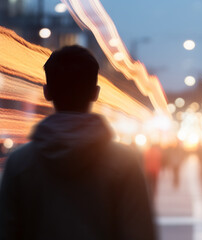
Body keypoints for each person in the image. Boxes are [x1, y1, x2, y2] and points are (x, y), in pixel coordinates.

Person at [0, 45, 157, 240]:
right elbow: (139, 232)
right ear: (95, 93)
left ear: (47, 92)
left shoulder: (19, 163)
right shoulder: (124, 163)